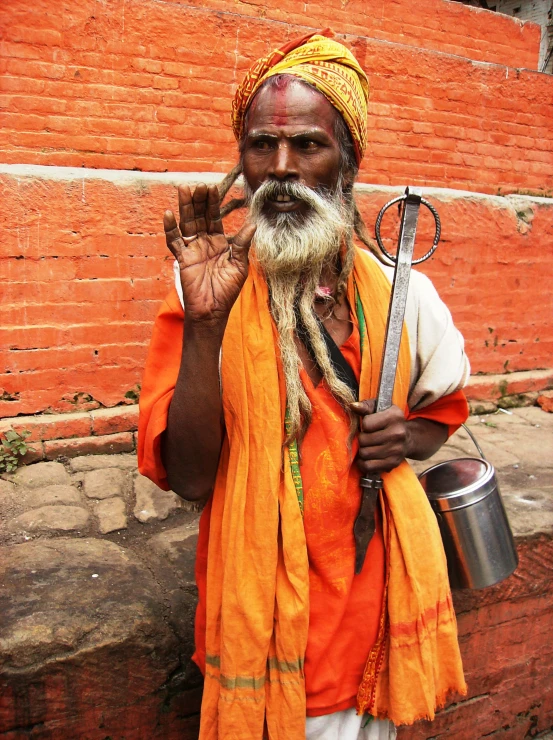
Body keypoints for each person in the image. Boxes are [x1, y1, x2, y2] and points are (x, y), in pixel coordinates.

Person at [138, 30, 470, 740]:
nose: (281, 169)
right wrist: (204, 323)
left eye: (308, 146)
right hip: (256, 609)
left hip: (370, 602)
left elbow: (441, 410)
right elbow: (191, 478)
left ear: (346, 161)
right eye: (261, 146)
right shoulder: (205, 295)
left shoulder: (399, 292)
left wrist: (404, 435)